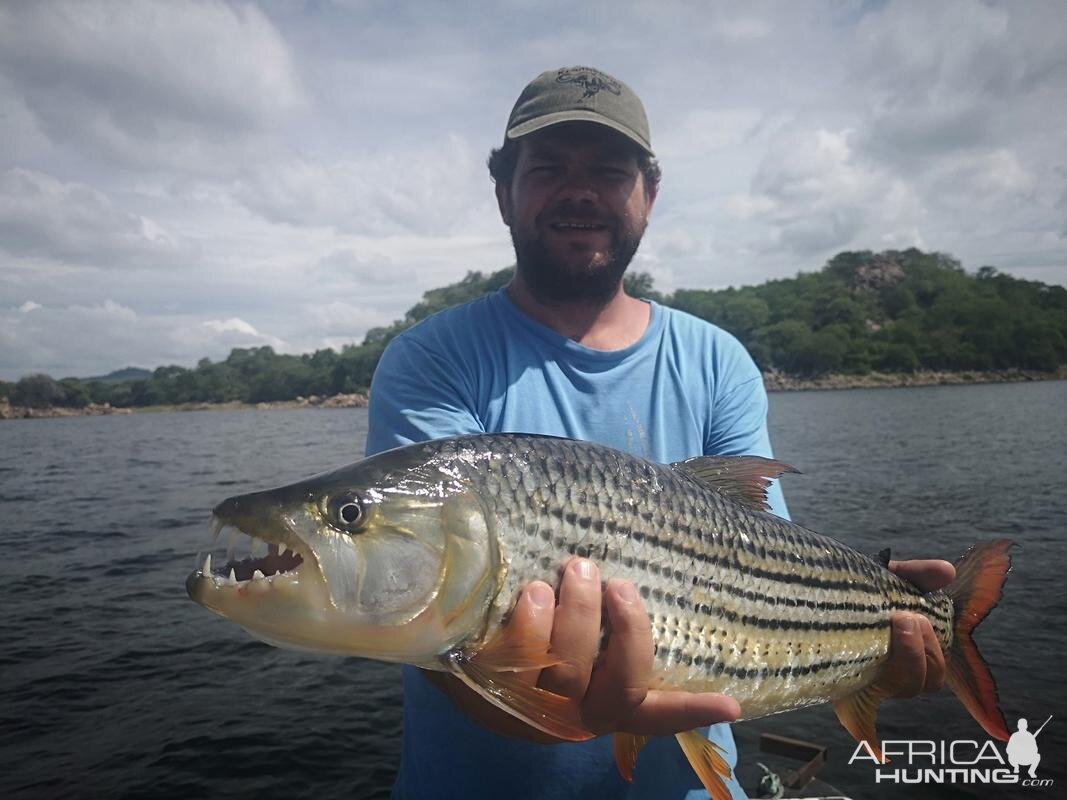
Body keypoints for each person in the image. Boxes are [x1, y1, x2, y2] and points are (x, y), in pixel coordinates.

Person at [365, 65, 953, 800]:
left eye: (608, 172)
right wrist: (559, 708)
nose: (578, 191)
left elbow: (762, 571)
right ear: (502, 193)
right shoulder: (431, 357)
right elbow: (432, 614)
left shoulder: (717, 360)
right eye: (547, 168)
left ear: (648, 194)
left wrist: (871, 648)